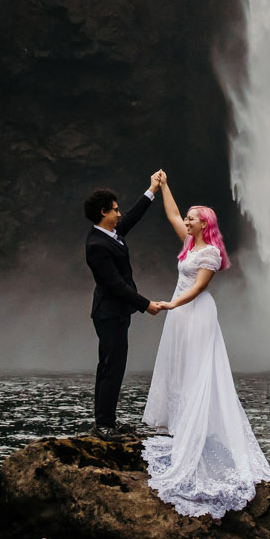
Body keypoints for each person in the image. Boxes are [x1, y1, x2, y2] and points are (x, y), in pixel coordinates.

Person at [139, 170, 270, 517]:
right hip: (181, 315)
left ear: (204, 225)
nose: (185, 220)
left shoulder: (210, 253)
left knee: (199, 372)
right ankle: (183, 430)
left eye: (191, 218)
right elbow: (170, 214)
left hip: (195, 314)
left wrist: (171, 304)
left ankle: (197, 435)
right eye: (187, 218)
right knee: (180, 369)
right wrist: (165, 186)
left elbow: (198, 288)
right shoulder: (188, 243)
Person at [81, 180, 159, 436]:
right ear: (103, 212)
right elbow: (114, 284)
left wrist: (152, 190)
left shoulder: (111, 235)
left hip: (117, 313)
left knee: (112, 366)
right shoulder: (96, 246)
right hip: (108, 313)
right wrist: (145, 304)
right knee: (110, 367)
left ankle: (107, 421)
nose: (119, 213)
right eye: (115, 209)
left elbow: (132, 218)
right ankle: (103, 424)